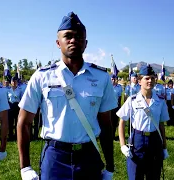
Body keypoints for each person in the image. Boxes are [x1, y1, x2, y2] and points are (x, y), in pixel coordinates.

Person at [17, 12, 117, 180]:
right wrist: (25, 167)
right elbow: (24, 122)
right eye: (68, 36)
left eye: (78, 37)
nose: (73, 40)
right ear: (58, 43)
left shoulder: (101, 77)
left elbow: (106, 125)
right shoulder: (42, 76)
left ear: (85, 43)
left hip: (89, 157)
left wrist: (110, 166)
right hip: (55, 158)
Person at [117, 65, 169, 180]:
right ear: (139, 81)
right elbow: (121, 122)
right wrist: (122, 145)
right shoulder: (132, 100)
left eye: (152, 78)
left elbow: (161, 125)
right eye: (147, 78)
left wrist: (164, 146)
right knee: (136, 175)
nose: (150, 81)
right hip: (137, 141)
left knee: (154, 175)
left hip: (155, 141)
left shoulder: (160, 101)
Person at [7, 74, 23, 140]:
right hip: (10, 106)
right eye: (13, 81)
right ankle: (10, 135)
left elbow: (22, 99)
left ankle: (17, 135)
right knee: (10, 122)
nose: (14, 82)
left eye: (15, 81)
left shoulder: (20, 90)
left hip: (17, 106)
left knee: (17, 122)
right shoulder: (8, 90)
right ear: (11, 82)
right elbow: (6, 99)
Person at [110, 74, 122, 140]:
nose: (113, 81)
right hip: (108, 107)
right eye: (112, 79)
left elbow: (120, 98)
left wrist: (119, 107)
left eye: (114, 79)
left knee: (114, 122)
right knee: (109, 122)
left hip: (115, 107)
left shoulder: (119, 87)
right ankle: (109, 135)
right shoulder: (107, 87)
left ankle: (113, 136)